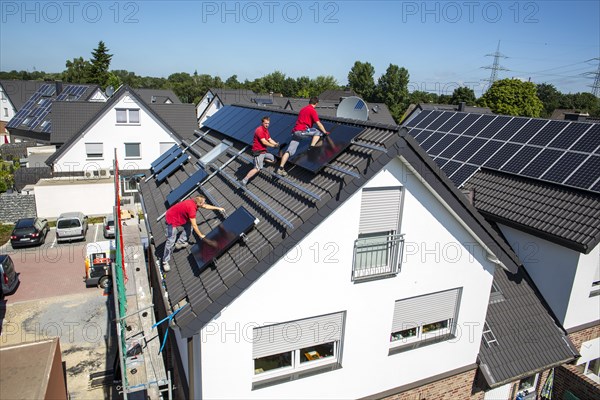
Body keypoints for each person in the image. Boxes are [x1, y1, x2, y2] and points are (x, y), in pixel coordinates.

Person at [162, 195, 225, 271]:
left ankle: (180, 243)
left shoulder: (194, 201)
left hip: (180, 217)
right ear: (199, 203)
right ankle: (165, 261)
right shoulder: (192, 209)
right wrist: (201, 235)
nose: (204, 203)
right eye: (203, 202)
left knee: (189, 227)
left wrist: (218, 208)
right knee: (170, 241)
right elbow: (195, 225)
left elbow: (206, 206)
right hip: (171, 218)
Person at [276, 96, 329, 177]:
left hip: (295, 132)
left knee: (289, 151)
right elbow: (318, 123)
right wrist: (325, 132)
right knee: (317, 132)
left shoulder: (302, 109)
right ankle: (311, 148)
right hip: (302, 131)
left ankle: (280, 168)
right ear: (316, 103)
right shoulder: (312, 110)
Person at [239, 116, 279, 187]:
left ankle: (262, 160)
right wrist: (273, 146)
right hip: (258, 152)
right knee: (257, 168)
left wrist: (276, 144)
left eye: (268, 123)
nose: (267, 125)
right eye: (266, 123)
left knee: (273, 159)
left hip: (264, 152)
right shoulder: (259, 130)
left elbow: (269, 139)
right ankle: (244, 180)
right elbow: (264, 142)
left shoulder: (266, 130)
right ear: (262, 123)